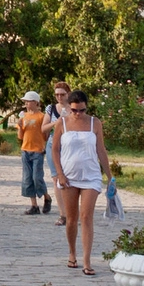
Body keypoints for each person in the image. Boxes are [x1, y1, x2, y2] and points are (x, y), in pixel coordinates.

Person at [50, 89, 110, 274]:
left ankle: (87, 261)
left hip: (91, 176)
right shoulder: (62, 123)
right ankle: (72, 253)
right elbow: (55, 149)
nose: (78, 114)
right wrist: (59, 174)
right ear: (69, 107)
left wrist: (110, 176)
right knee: (71, 219)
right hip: (69, 176)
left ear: (86, 107)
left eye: (82, 110)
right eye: (74, 110)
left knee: (86, 216)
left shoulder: (94, 123)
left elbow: (101, 149)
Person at [17, 90, 48, 215]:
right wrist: (20, 126)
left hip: (37, 151)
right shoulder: (23, 116)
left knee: (37, 177)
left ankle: (47, 197)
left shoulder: (42, 117)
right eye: (25, 101)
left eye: (28, 101)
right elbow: (20, 136)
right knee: (27, 178)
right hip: (26, 150)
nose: (26, 104)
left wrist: (43, 145)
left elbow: (45, 135)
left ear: (36, 102)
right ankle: (34, 205)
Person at [42, 81, 69, 221]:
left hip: (69, 145)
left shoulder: (74, 108)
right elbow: (43, 128)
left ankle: (71, 210)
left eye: (62, 94)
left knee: (69, 177)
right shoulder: (51, 108)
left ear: (68, 94)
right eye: (57, 94)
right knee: (56, 178)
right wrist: (56, 122)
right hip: (53, 144)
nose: (59, 97)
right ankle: (62, 213)